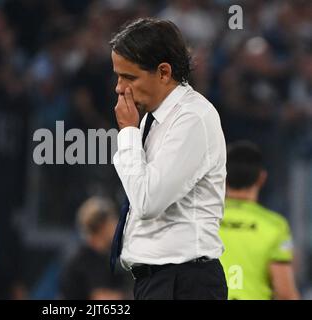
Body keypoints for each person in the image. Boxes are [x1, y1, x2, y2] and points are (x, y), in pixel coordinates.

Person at [110, 18, 227, 300]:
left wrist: (127, 134)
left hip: (185, 283)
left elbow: (148, 201)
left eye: (129, 77)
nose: (119, 87)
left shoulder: (192, 118)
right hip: (159, 282)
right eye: (117, 75)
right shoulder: (153, 118)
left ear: (163, 72)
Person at [219, 141, 300, 300]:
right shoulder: (275, 226)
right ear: (262, 178)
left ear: (223, 177)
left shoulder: (205, 220)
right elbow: (284, 293)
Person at [59, 197, 132, 300]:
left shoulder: (103, 257)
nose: (117, 226)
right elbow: (101, 298)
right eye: (112, 221)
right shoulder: (85, 259)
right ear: (101, 226)